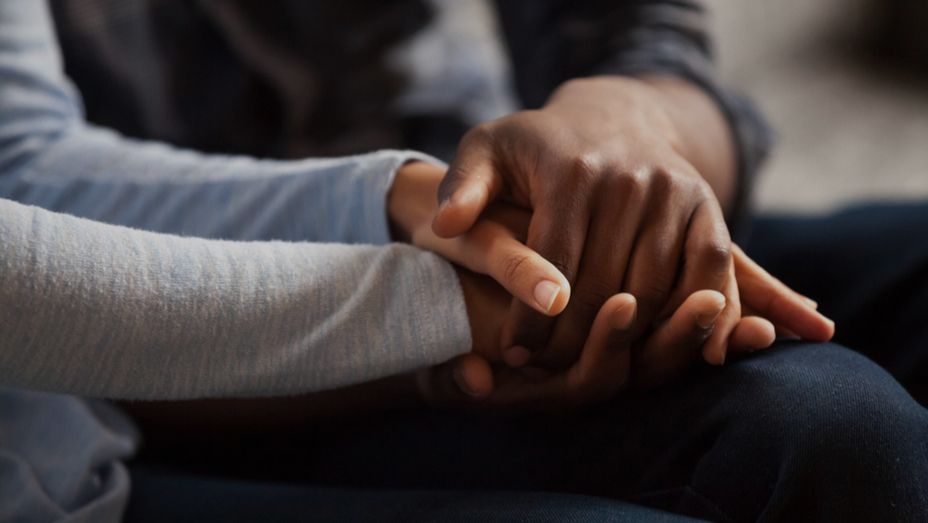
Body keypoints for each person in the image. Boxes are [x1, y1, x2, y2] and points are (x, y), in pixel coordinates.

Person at [0, 1, 925, 522]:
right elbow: (28, 179)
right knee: (829, 428)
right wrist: (456, 300)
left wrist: (631, 131)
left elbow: (645, 47)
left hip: (479, 221)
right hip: (173, 343)